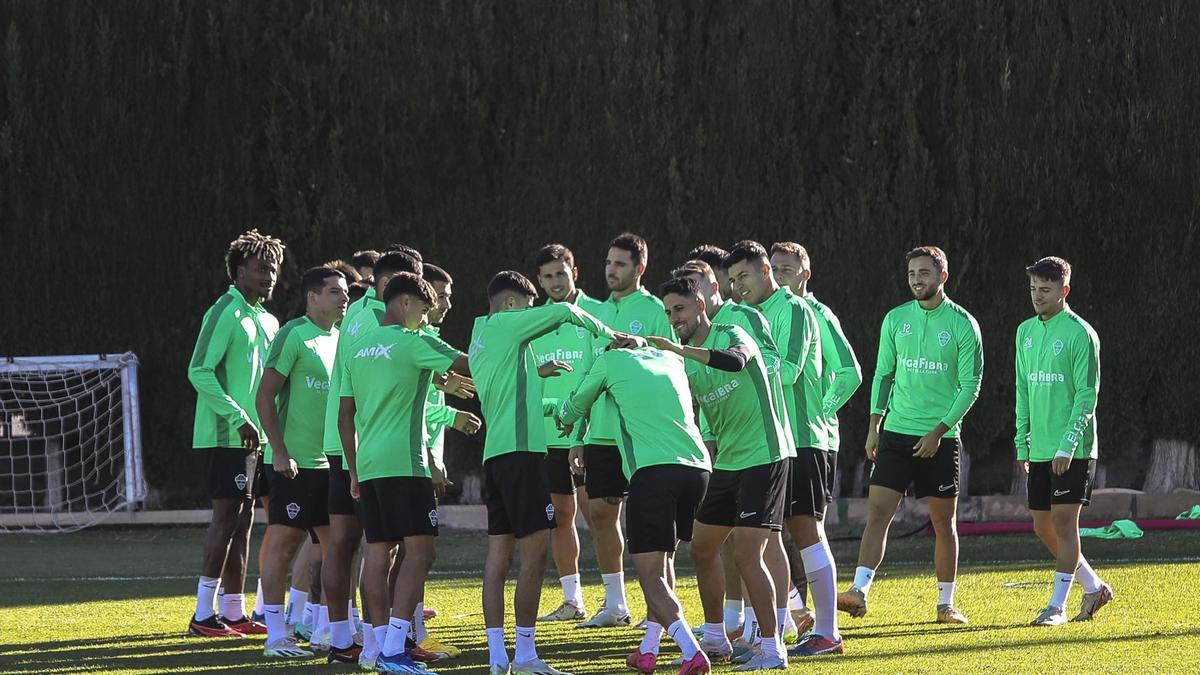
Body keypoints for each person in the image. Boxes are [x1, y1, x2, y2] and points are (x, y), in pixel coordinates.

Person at [468, 271, 626, 675]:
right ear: (509, 304)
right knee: (536, 553)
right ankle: (525, 656)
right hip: (522, 458)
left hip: (495, 457)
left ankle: (496, 656)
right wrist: (610, 334)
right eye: (527, 306)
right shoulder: (507, 322)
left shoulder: (481, 335)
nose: (532, 314)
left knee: (497, 557)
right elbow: (566, 310)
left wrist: (550, 403)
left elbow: (508, 400)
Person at [338, 272, 481, 673]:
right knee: (421, 551)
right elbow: (471, 364)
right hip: (406, 463)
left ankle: (376, 648)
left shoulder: (357, 347)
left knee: (378, 553)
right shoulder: (414, 341)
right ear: (404, 304)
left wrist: (352, 469)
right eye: (423, 309)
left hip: (369, 465)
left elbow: (344, 417)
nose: (427, 317)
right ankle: (396, 649)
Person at [838, 246, 982, 624]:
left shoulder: (963, 324)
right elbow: (883, 375)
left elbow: (970, 387)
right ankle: (859, 591)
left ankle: (945, 605)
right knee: (878, 515)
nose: (917, 279)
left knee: (942, 524)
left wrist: (939, 431)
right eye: (912, 274)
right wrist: (874, 428)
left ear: (943, 276)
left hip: (941, 439)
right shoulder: (895, 319)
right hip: (896, 435)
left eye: (924, 273)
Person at [654, 276, 791, 672]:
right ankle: (715, 636)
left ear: (699, 304)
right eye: (668, 312)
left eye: (679, 308)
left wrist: (681, 350)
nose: (674, 318)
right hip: (728, 463)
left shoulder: (732, 331)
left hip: (766, 456)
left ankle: (772, 648)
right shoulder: (685, 362)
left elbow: (736, 360)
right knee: (702, 546)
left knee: (749, 555)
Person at [556, 344, 713, 675]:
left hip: (654, 472)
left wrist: (563, 416)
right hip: (698, 469)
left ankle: (691, 651)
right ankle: (648, 649)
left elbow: (574, 406)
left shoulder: (609, 360)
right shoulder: (670, 358)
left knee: (650, 574)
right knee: (664, 562)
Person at [320, 250, 424, 667]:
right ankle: (370, 642)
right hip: (365, 447)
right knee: (368, 544)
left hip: (355, 443)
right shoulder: (375, 322)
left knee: (363, 544)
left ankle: (364, 643)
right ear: (390, 286)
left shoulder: (360, 318)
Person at [187, 229, 283, 638]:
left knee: (244, 522)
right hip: (226, 435)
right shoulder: (224, 310)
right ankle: (201, 615)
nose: (270, 275)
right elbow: (198, 370)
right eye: (262, 268)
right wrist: (238, 415)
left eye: (274, 269)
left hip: (255, 438)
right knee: (226, 518)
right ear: (240, 270)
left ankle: (233, 610)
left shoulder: (267, 318)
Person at [578, 233, 675, 630]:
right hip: (600, 430)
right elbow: (586, 372)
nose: (611, 271)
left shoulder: (655, 309)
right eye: (607, 263)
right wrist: (578, 435)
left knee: (653, 519)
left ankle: (662, 607)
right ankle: (616, 603)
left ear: (640, 268)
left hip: (642, 432)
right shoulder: (596, 313)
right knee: (601, 513)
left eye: (619, 264)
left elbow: (668, 363)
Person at [769, 242, 863, 638]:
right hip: (781, 438)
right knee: (777, 529)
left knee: (805, 528)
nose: (778, 275)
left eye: (786, 269)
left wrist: (822, 410)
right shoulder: (769, 312)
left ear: (805, 273)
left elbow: (850, 372)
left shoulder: (818, 314)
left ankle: (823, 626)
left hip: (811, 439)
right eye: (773, 268)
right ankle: (796, 612)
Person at [254, 266, 348, 658]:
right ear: (312, 297)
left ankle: (328, 629)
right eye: (335, 293)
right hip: (293, 464)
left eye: (345, 293)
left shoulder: (342, 340)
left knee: (336, 549)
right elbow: (264, 397)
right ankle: (276, 633)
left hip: (331, 464)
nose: (344, 299)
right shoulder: (294, 334)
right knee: (282, 544)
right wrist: (278, 450)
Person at [1016, 256, 1112, 626]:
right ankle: (1093, 586)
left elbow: (1087, 396)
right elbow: (1022, 389)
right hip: (1038, 447)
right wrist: (1022, 441)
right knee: (1042, 526)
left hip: (1072, 449)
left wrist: (1067, 446)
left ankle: (1056, 606)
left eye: (1045, 289)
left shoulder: (1080, 333)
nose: (1037, 296)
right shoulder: (1024, 332)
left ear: (1064, 291)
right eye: (1033, 289)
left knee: (1064, 523)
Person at [529, 244, 603, 623]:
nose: (555, 282)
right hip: (550, 437)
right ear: (539, 281)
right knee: (561, 516)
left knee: (601, 516)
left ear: (575, 271)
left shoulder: (596, 315)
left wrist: (584, 423)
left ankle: (615, 598)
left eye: (561, 273)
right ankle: (574, 600)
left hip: (592, 435)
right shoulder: (532, 321)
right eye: (548, 276)